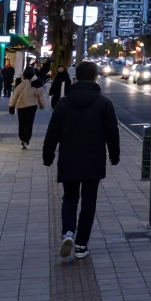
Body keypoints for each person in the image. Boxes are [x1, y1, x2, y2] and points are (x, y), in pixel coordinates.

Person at [43, 61, 120, 262]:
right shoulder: (104, 103)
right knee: (89, 199)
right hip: (93, 158)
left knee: (69, 197)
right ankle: (80, 245)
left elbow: (53, 131)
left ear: (76, 76)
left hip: (69, 157)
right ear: (95, 76)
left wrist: (48, 155)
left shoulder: (64, 103)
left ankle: (68, 232)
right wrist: (114, 155)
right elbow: (112, 132)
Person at [9, 67, 47, 150]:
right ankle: (26, 140)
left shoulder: (21, 84)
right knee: (29, 124)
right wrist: (42, 105)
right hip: (32, 106)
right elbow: (40, 95)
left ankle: (22, 137)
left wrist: (11, 105)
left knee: (22, 123)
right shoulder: (36, 84)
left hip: (21, 106)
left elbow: (15, 95)